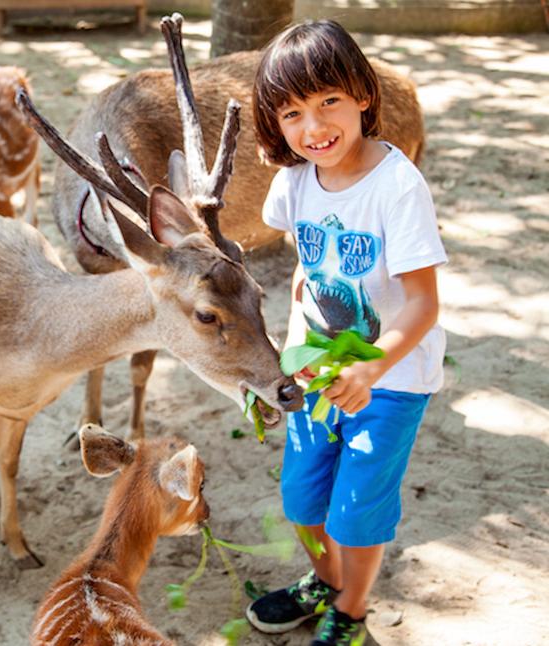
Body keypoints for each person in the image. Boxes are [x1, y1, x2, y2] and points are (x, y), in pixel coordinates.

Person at [245, 19, 447, 646]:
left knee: (356, 512)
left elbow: (422, 303)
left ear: (362, 94)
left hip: (391, 379)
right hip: (318, 372)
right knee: (303, 502)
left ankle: (351, 609)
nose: (314, 127)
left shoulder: (397, 187)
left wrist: (370, 369)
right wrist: (291, 348)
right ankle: (325, 582)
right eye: (292, 113)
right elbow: (309, 263)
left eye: (328, 101)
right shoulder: (294, 183)